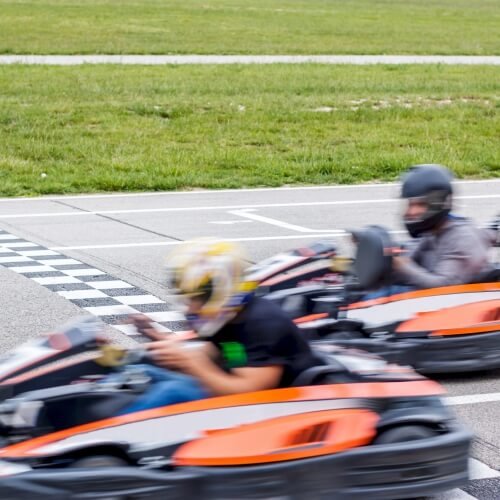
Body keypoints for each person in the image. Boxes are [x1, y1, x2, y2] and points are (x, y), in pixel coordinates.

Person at [116, 240, 318, 415]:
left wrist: (191, 363)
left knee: (175, 391)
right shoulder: (230, 317)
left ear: (217, 293)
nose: (189, 306)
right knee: (141, 369)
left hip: (272, 406)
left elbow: (250, 393)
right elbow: (221, 354)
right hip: (234, 385)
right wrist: (155, 336)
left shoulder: (262, 323)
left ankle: (110, 434)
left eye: (195, 298)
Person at [392, 164, 493, 289]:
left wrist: (400, 266)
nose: (411, 212)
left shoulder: (462, 239)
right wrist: (386, 252)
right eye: (410, 204)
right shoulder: (431, 232)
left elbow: (443, 286)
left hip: (455, 302)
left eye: (420, 205)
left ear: (438, 203)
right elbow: (407, 254)